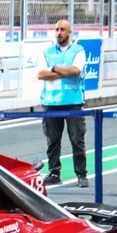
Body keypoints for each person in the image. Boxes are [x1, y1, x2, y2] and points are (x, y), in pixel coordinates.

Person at [36, 18, 88, 186]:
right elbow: (41, 74)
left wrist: (53, 69)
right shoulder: (47, 52)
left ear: (69, 32)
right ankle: (54, 173)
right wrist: (63, 71)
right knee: (52, 140)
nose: (59, 33)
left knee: (77, 139)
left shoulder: (78, 50)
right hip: (50, 102)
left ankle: (81, 174)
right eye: (57, 30)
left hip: (73, 101)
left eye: (62, 30)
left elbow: (76, 70)